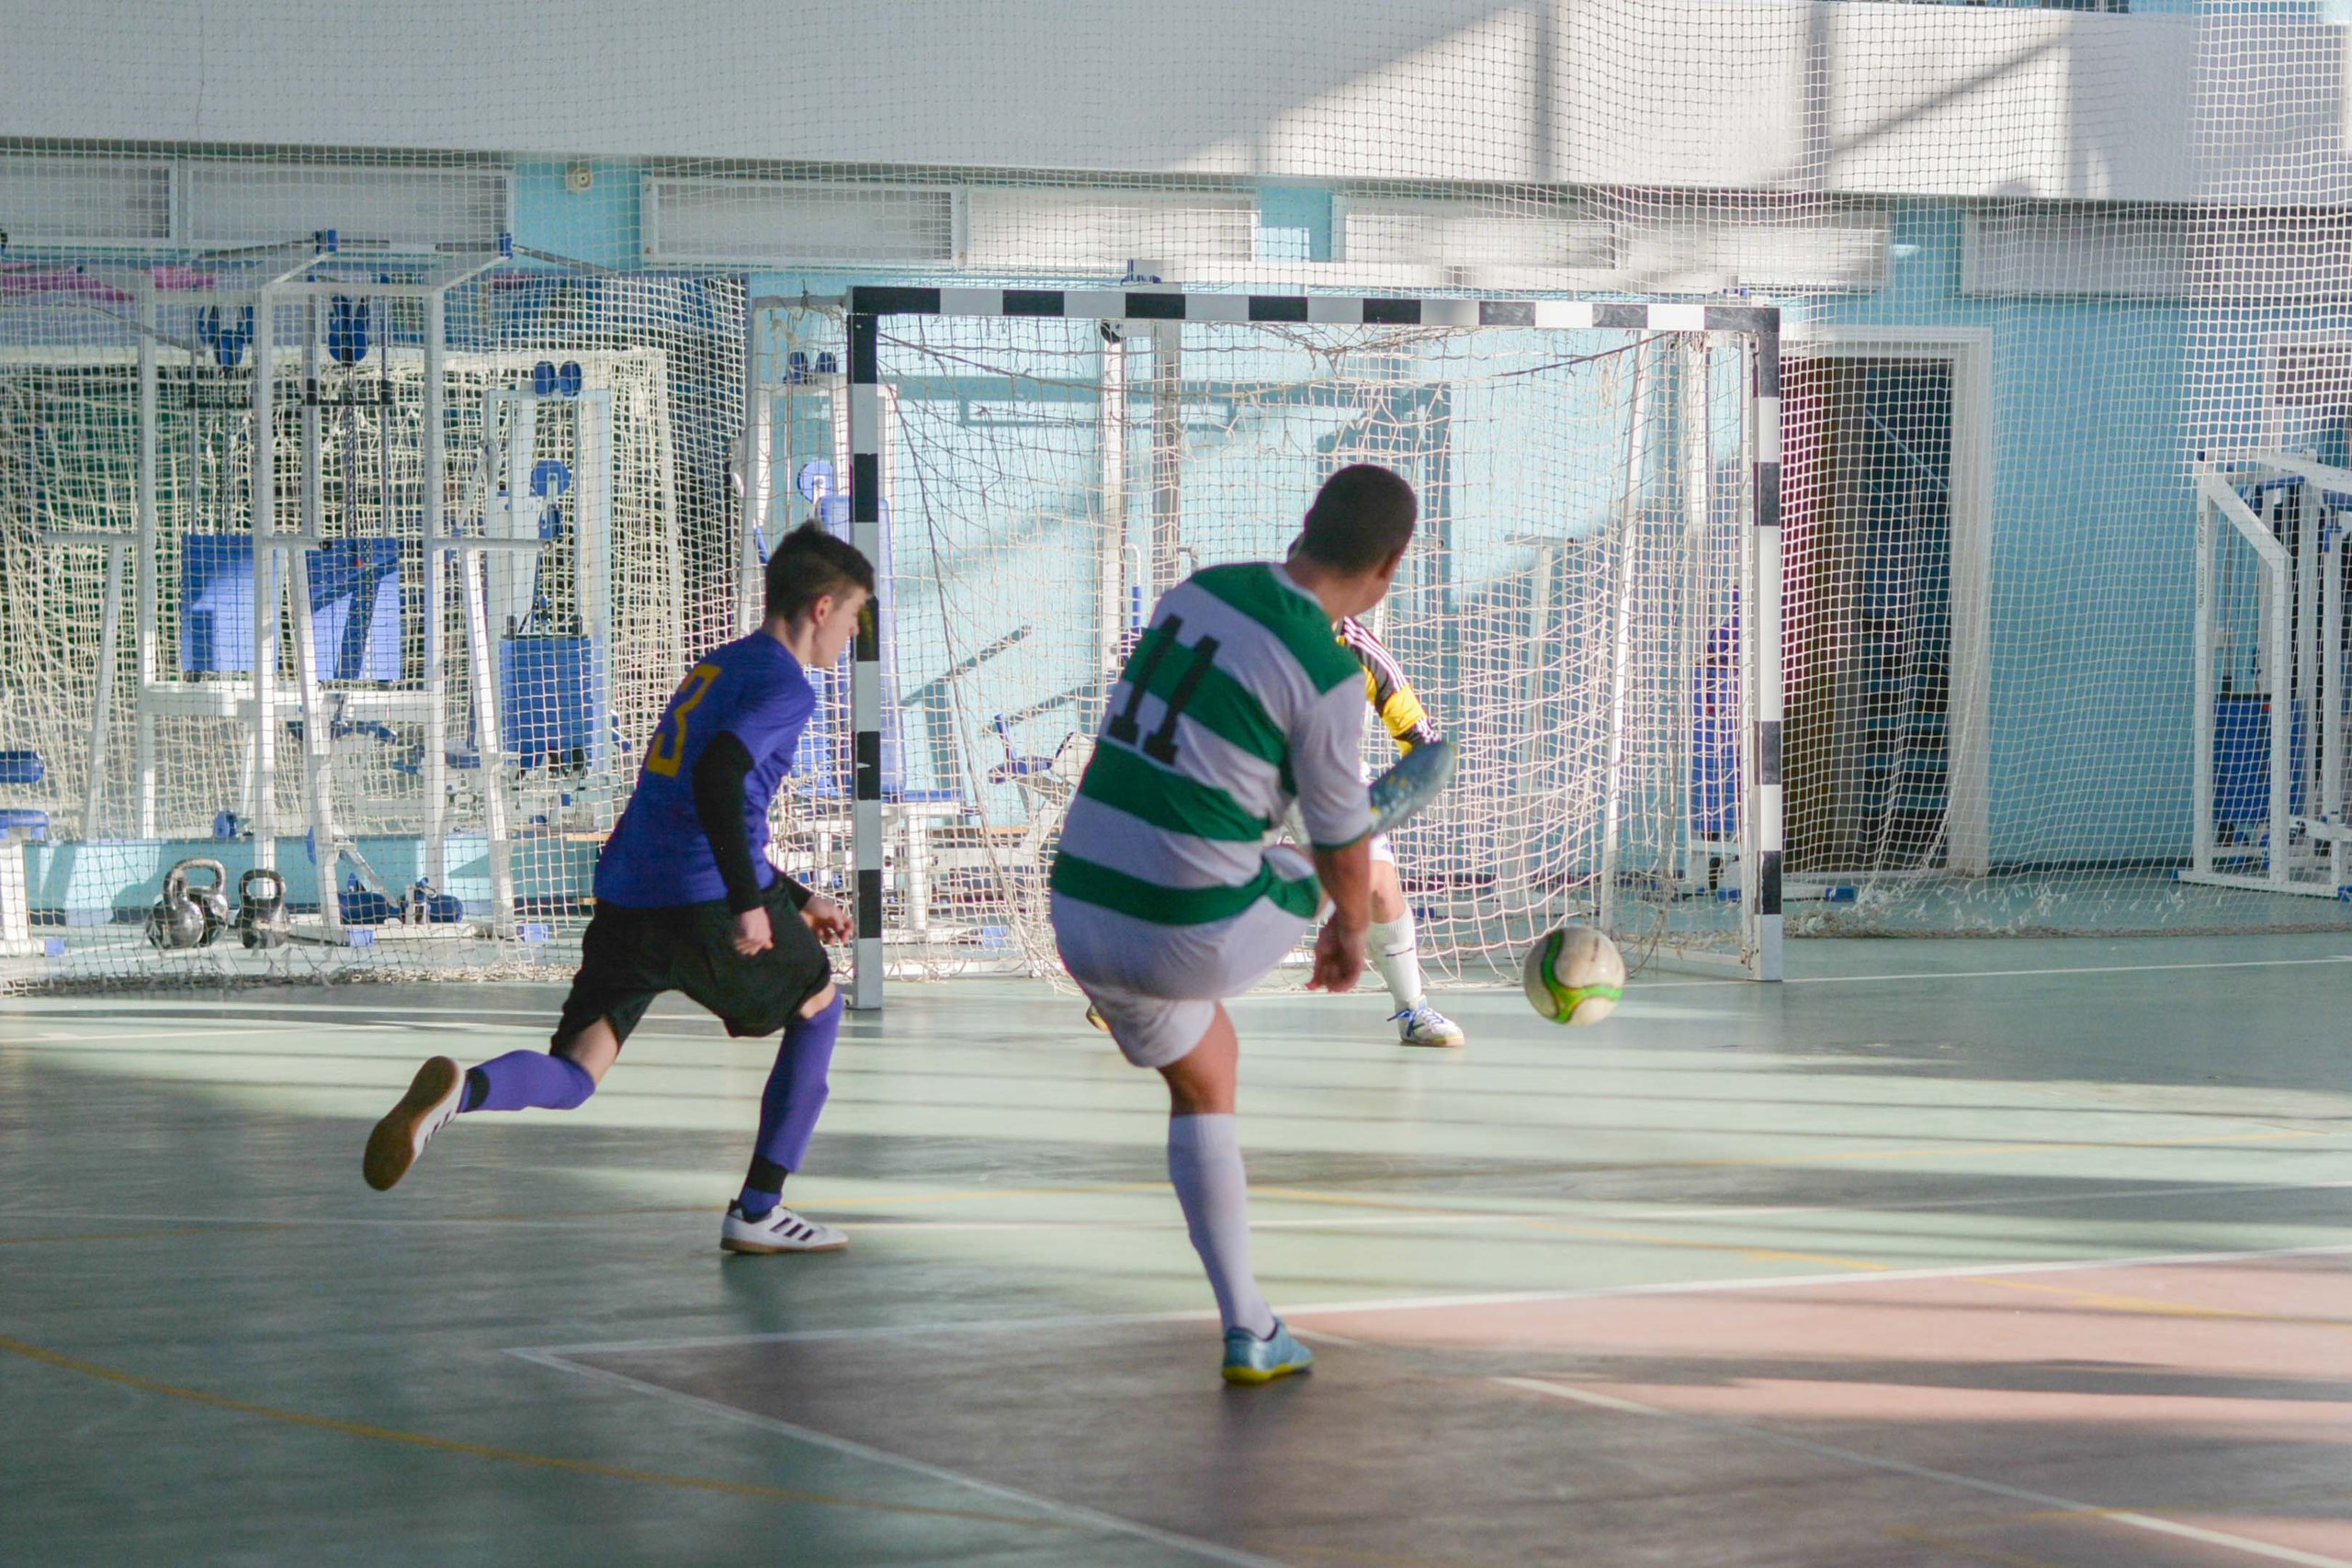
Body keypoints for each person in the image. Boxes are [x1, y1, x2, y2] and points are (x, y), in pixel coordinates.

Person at [362, 522, 874, 1257]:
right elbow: (719, 780)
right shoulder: (787, 687)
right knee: (819, 1008)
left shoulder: (719, 666)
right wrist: (748, 902)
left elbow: (691, 803)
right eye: (853, 614)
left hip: (631, 892)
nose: (853, 633)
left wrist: (792, 897)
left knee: (577, 1072)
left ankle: (459, 1093)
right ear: (822, 608)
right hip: (700, 897)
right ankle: (760, 1208)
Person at [1051, 462, 1416, 1384]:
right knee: (1325, 858)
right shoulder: (1329, 676)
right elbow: (1340, 852)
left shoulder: (1196, 592)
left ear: (1305, 524)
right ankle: (1360, 836)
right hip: (1185, 930)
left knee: (1209, 1069)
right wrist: (1347, 929)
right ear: (1390, 564)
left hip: (1078, 908)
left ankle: (1251, 1324)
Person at [1335, 615, 1467, 1049]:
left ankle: (1412, 1011)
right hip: (1248, 773)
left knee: (1379, 885)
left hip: (1334, 780)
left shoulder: (1359, 648)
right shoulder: (1251, 627)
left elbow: (1420, 738)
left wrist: (1413, 780)